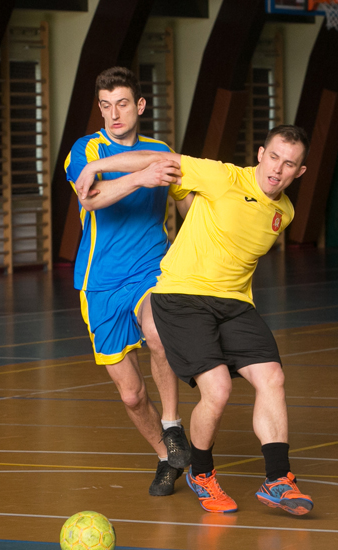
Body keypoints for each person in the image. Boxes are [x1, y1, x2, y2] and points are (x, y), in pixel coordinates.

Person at [75, 124, 314, 516]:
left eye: (289, 164)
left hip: (234, 303)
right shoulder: (222, 177)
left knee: (273, 377)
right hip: (183, 297)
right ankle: (201, 474)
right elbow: (160, 160)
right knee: (218, 389)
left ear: (299, 172)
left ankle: (278, 480)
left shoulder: (283, 212)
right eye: (273, 157)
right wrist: (95, 166)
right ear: (260, 154)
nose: (278, 169)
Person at [65, 66, 193, 497]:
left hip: (151, 270)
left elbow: (187, 205)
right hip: (99, 283)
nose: (114, 114)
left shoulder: (161, 151)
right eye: (105, 106)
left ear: (139, 105)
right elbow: (92, 198)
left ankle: (172, 425)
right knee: (132, 396)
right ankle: (166, 457)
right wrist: (140, 177)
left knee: (157, 332)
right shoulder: (86, 149)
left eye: (122, 104)